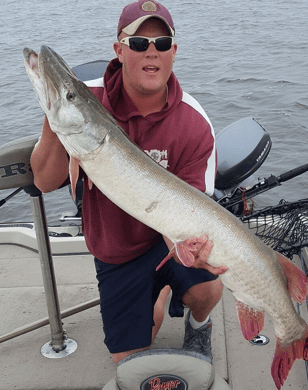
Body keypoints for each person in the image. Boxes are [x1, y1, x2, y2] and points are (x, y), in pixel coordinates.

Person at [30, 0, 227, 364]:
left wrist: (192, 250)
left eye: (162, 43)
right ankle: (158, 297)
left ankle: (199, 326)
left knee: (208, 288)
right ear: (119, 51)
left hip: (164, 238)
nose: (151, 52)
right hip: (117, 252)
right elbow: (44, 181)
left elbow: (188, 213)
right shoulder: (90, 101)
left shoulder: (194, 124)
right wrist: (55, 113)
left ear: (173, 52)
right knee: (129, 360)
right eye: (138, 43)